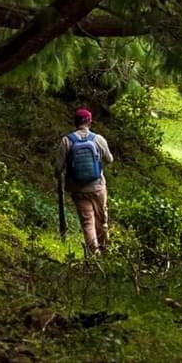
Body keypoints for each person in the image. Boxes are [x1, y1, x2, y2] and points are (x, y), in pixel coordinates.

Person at [54, 108, 114, 256]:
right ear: (89, 122)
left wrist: (60, 176)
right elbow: (109, 159)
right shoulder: (98, 139)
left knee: (88, 222)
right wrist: (98, 164)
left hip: (78, 190)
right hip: (98, 187)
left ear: (75, 122)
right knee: (102, 220)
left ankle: (94, 255)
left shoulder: (67, 141)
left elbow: (58, 168)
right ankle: (105, 251)